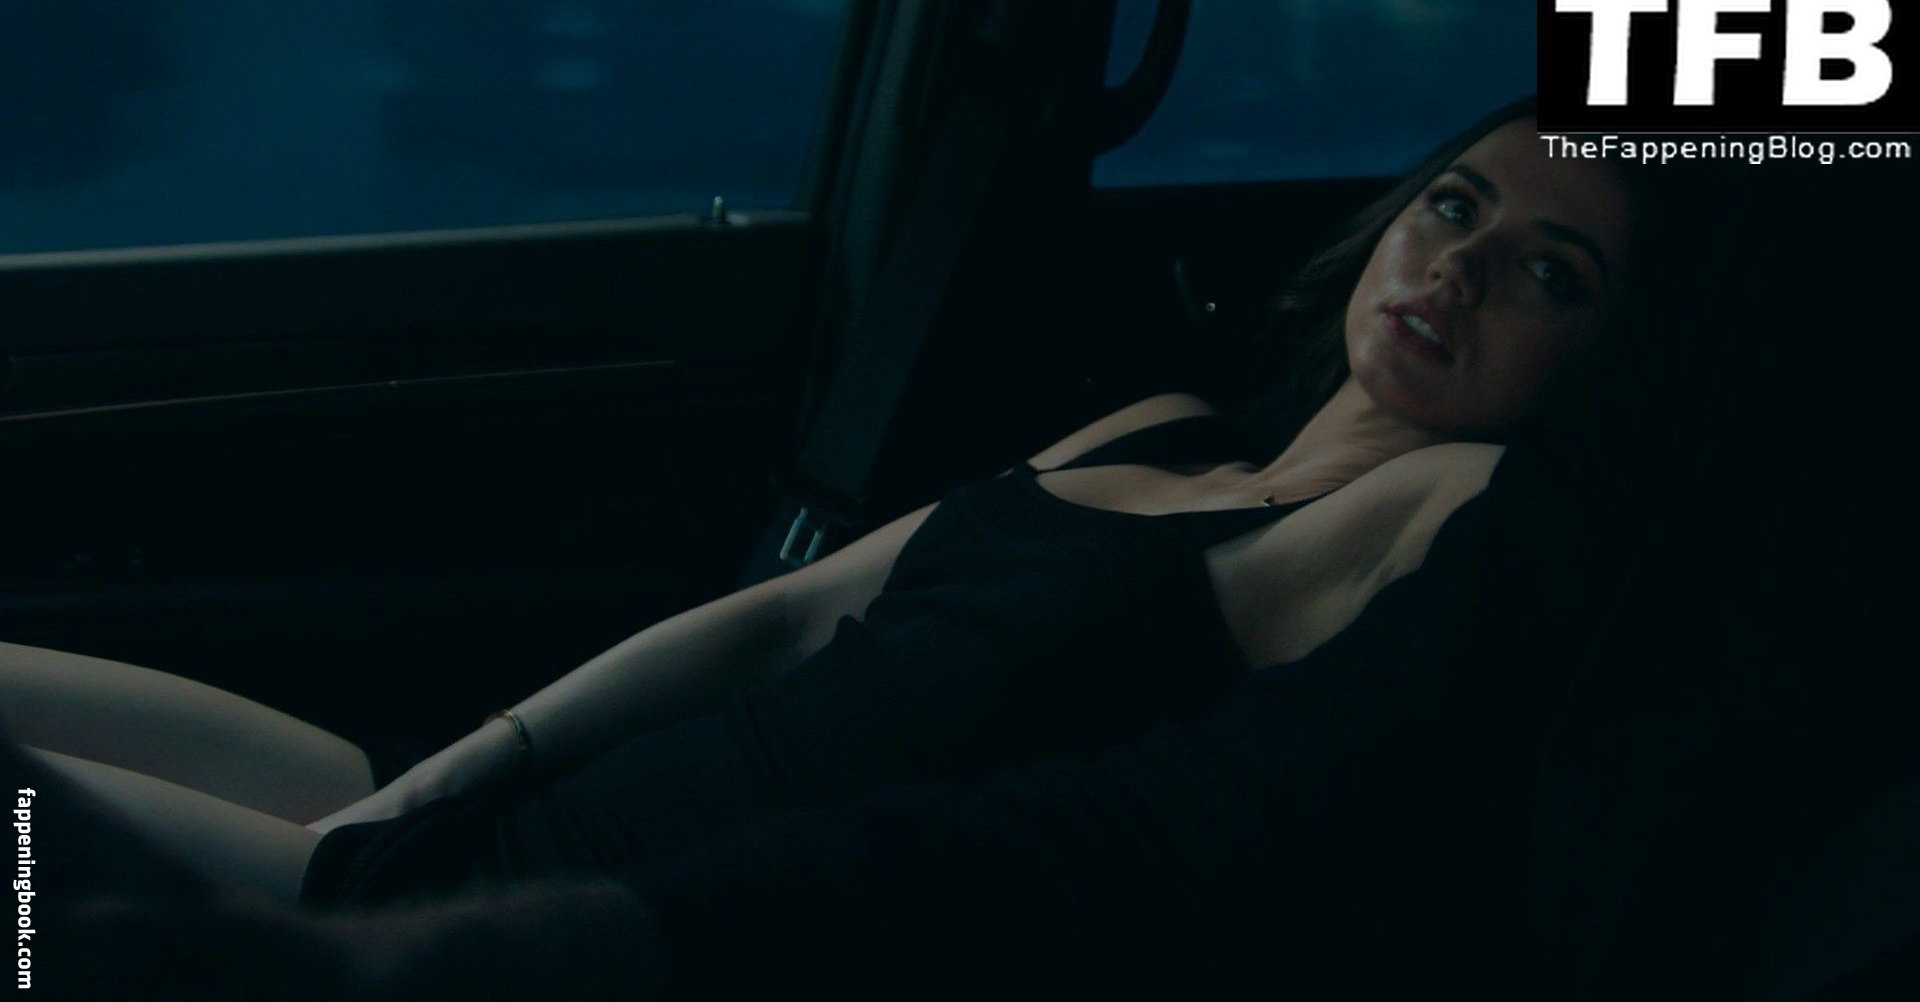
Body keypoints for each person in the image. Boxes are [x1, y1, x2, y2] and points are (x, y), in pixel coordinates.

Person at [2, 93, 1680, 931]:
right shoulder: (1165, 428)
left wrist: (421, 878)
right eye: (1453, 205)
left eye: (1550, 272)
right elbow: (783, 616)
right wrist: (462, 767)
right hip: (467, 803)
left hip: (546, 905)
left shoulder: (1445, 509)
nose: (1461, 267)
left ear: (1599, 370)